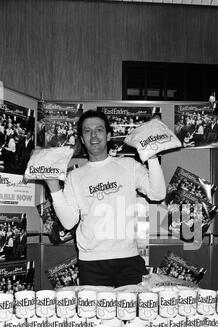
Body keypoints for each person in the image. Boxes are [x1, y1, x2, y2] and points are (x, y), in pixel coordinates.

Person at [46, 109, 166, 287]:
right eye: (87, 131)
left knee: (134, 314)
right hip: (91, 263)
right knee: (96, 315)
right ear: (81, 138)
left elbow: (158, 193)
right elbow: (69, 222)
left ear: (109, 135)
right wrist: (53, 186)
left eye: (99, 130)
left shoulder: (129, 165)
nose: (93, 135)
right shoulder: (75, 176)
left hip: (129, 259)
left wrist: (152, 156)